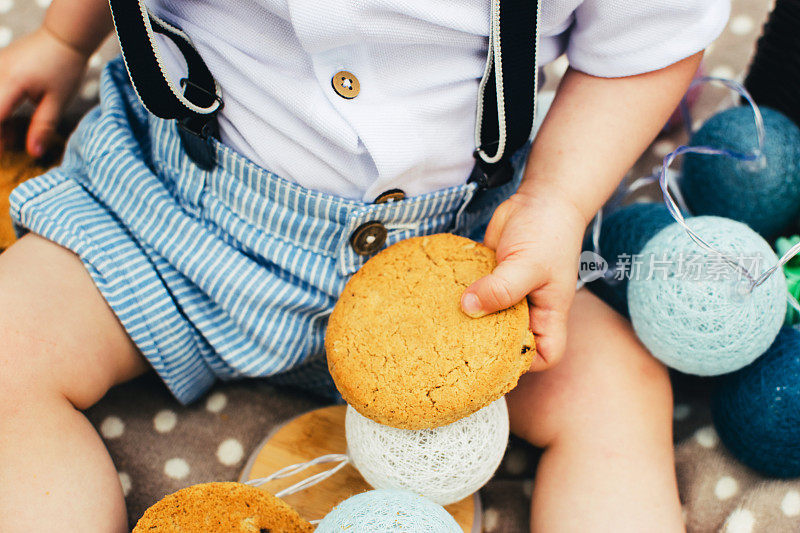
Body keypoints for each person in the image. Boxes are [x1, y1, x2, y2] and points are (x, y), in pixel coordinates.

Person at [0, 0, 729, 530]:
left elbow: (650, 40)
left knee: (615, 389)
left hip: (467, 254)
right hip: (176, 218)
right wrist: (66, 38)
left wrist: (558, 199)